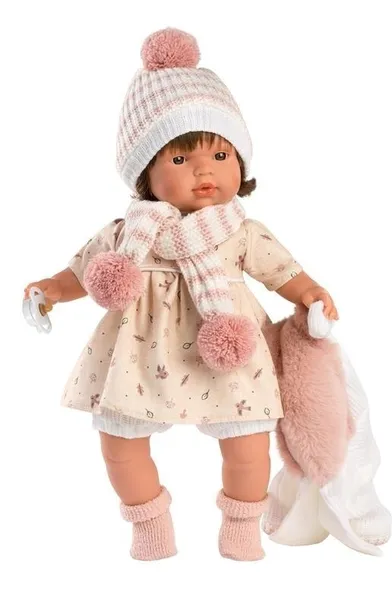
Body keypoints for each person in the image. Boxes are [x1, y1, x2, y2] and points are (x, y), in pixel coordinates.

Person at [24, 27, 338, 562]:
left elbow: (282, 271)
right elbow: (85, 272)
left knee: (248, 444)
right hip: (140, 354)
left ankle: (242, 526)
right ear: (144, 173)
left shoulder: (241, 231)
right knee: (119, 444)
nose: (203, 170)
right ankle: (150, 524)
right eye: (178, 159)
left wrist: (309, 292)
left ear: (241, 161)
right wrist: (52, 288)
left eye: (220, 154)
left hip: (228, 349)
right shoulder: (127, 234)